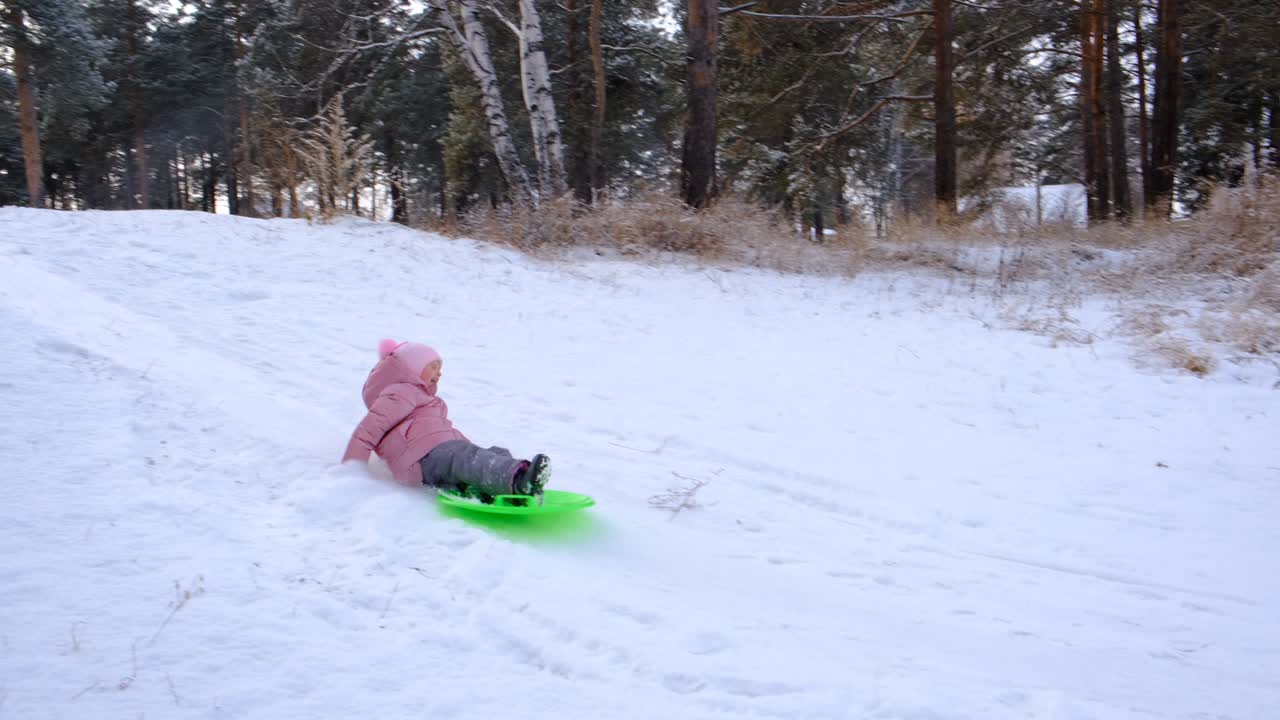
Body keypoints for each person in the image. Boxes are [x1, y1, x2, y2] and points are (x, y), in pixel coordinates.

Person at [342, 339, 550, 502]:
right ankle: (518, 481)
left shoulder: (424, 399)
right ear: (411, 367)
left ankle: (489, 486)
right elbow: (366, 433)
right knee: (466, 457)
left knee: (493, 453)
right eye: (433, 366)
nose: (439, 372)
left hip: (434, 454)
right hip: (421, 456)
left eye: (440, 367)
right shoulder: (399, 393)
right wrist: (351, 472)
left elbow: (441, 434)